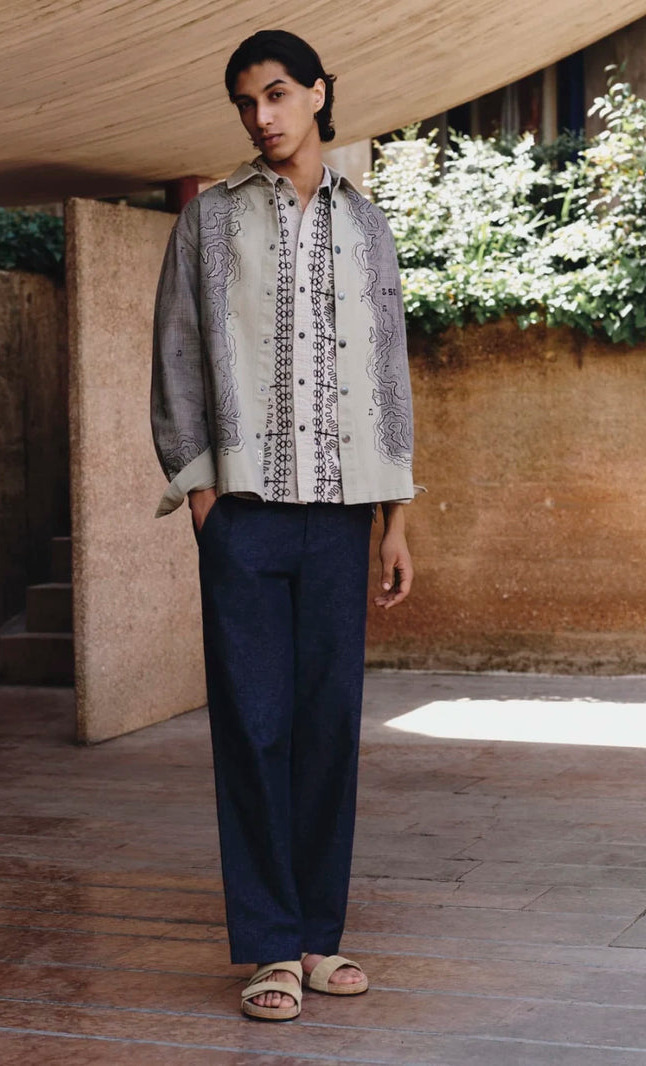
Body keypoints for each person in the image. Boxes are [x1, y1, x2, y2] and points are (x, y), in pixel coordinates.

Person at [151, 28, 418, 1022]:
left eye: (274, 95)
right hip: (247, 517)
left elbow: (388, 372)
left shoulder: (367, 226)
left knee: (326, 727)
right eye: (244, 103)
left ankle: (315, 937)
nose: (261, 118)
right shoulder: (208, 224)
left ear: (317, 94)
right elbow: (176, 356)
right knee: (252, 725)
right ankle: (266, 946)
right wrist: (204, 496)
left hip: (343, 513)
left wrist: (392, 518)